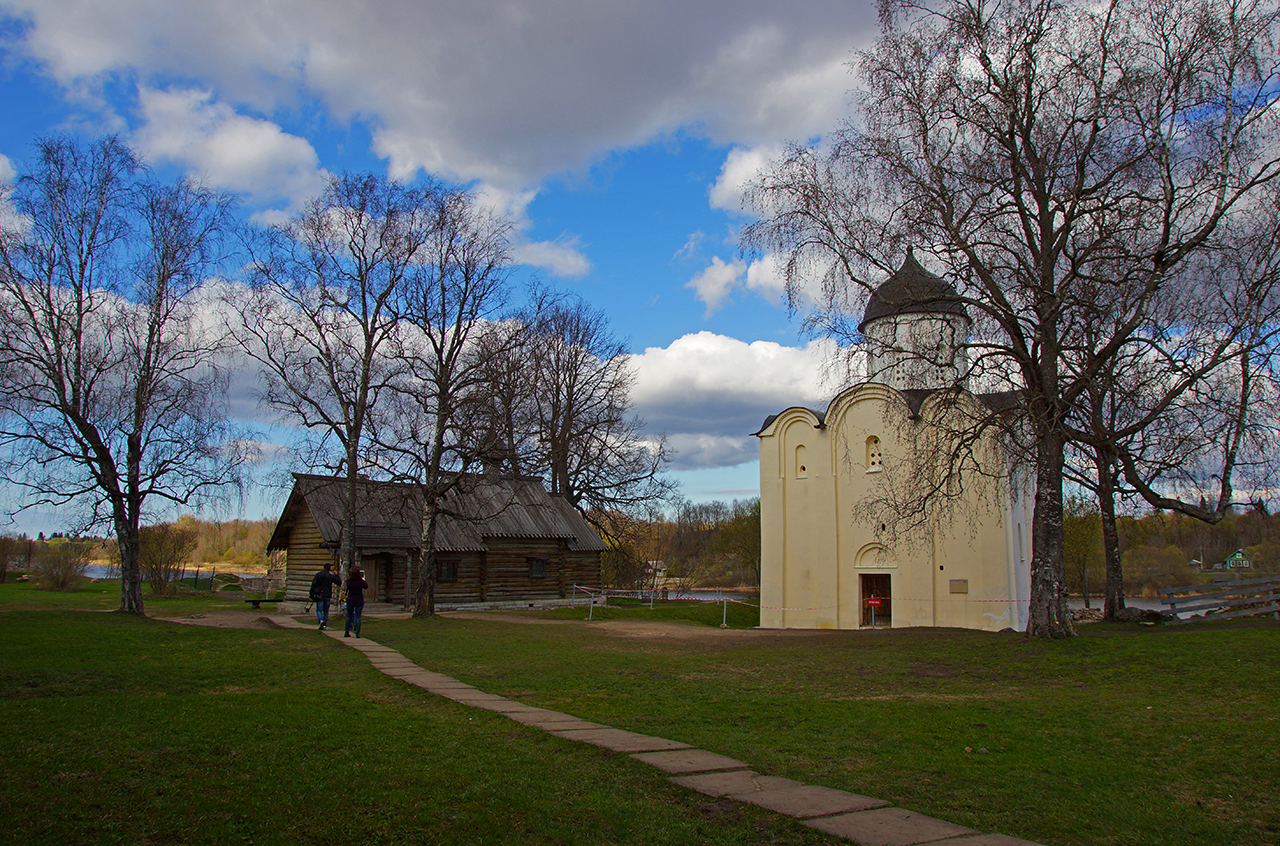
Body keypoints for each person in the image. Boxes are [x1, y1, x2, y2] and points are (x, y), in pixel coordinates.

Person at [308, 562, 342, 631]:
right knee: (326, 611)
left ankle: (321, 621)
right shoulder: (330, 576)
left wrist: (311, 593)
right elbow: (339, 582)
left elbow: (313, 584)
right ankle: (324, 625)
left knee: (319, 610)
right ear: (329, 569)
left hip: (320, 594)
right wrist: (336, 575)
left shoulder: (318, 575)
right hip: (327, 595)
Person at [344, 566, 368, 638]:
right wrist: (362, 579)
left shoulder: (349, 581)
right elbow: (366, 586)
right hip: (359, 600)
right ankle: (357, 633)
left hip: (351, 599)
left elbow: (347, 588)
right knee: (358, 616)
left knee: (349, 616)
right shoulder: (360, 582)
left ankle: (346, 631)